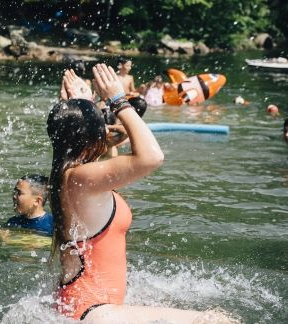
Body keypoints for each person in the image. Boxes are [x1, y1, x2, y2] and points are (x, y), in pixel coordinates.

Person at [49, 65, 214, 323]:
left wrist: (82, 104)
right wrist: (118, 100)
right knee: (218, 320)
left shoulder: (69, 177)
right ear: (93, 138)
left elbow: (102, 146)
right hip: (94, 310)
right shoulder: (79, 179)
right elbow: (152, 157)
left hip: (80, 304)